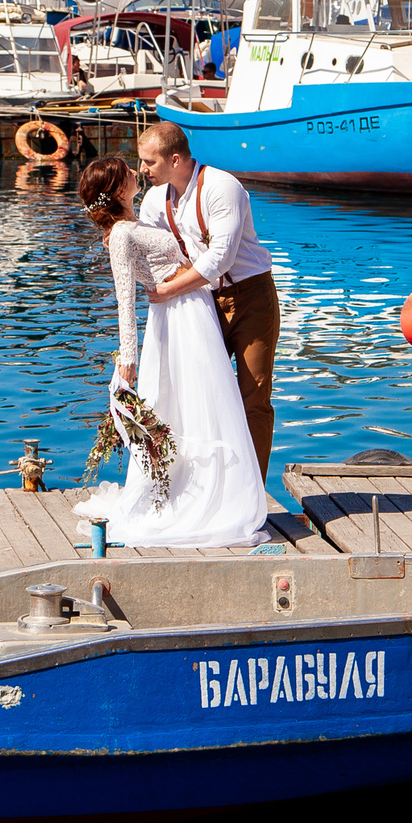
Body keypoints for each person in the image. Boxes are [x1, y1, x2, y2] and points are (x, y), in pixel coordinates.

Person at [70, 155, 268, 549]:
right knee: (200, 399)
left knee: (205, 399)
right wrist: (128, 357)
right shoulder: (122, 234)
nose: (134, 172)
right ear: (117, 189)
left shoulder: (134, 221)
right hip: (178, 316)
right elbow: (124, 297)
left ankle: (220, 489)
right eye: (127, 171)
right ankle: (204, 493)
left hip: (190, 307)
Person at [135, 120, 281, 482]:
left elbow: (221, 258)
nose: (142, 170)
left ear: (175, 160)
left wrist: (168, 290)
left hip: (250, 297)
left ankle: (253, 492)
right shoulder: (155, 201)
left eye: (149, 162)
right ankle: (206, 488)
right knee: (198, 396)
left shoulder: (221, 186)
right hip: (200, 301)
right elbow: (151, 252)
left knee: (253, 400)